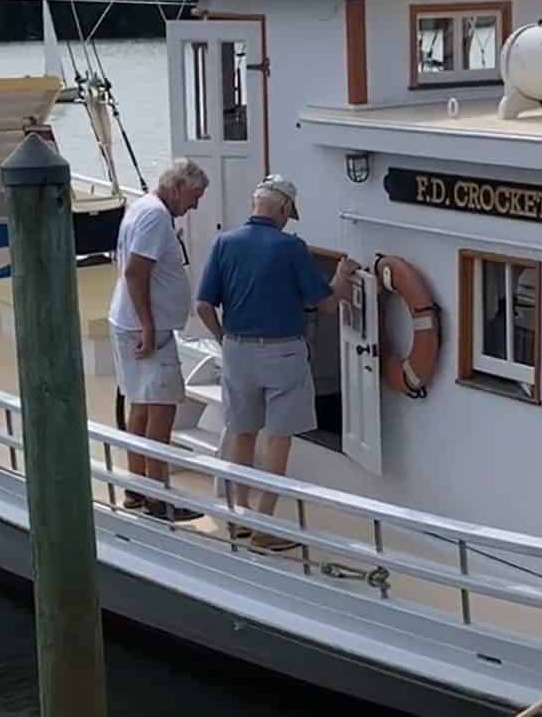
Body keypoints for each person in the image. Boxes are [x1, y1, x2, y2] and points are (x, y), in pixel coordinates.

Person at [194, 175, 358, 553]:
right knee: (278, 438)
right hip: (283, 353)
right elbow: (327, 304)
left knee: (241, 432)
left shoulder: (224, 243)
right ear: (283, 209)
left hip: (237, 350)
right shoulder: (291, 248)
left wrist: (224, 339)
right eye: (290, 214)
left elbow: (203, 305)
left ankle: (238, 517)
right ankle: (265, 525)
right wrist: (341, 277)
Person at [108, 159, 208, 521]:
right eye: (195, 196)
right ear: (178, 187)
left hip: (128, 322)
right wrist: (149, 327)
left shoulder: (142, 207)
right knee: (161, 410)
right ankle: (157, 499)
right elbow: (136, 271)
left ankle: (136, 489)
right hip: (145, 330)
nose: (195, 205)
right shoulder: (155, 217)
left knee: (141, 406)